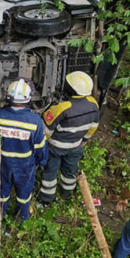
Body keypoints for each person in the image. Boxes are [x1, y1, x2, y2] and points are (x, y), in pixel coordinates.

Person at [0, 79, 48, 221]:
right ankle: (22, 216)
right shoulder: (35, 121)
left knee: (2, 189)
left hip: (2, 163)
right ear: (28, 99)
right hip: (25, 164)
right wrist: (41, 161)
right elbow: (40, 147)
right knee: (24, 191)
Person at [39, 71, 99, 204]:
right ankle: (68, 195)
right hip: (76, 146)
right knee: (70, 171)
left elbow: (46, 130)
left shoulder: (61, 107)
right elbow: (93, 126)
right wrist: (85, 139)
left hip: (55, 147)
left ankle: (46, 200)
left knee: (50, 171)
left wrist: (42, 144)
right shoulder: (93, 104)